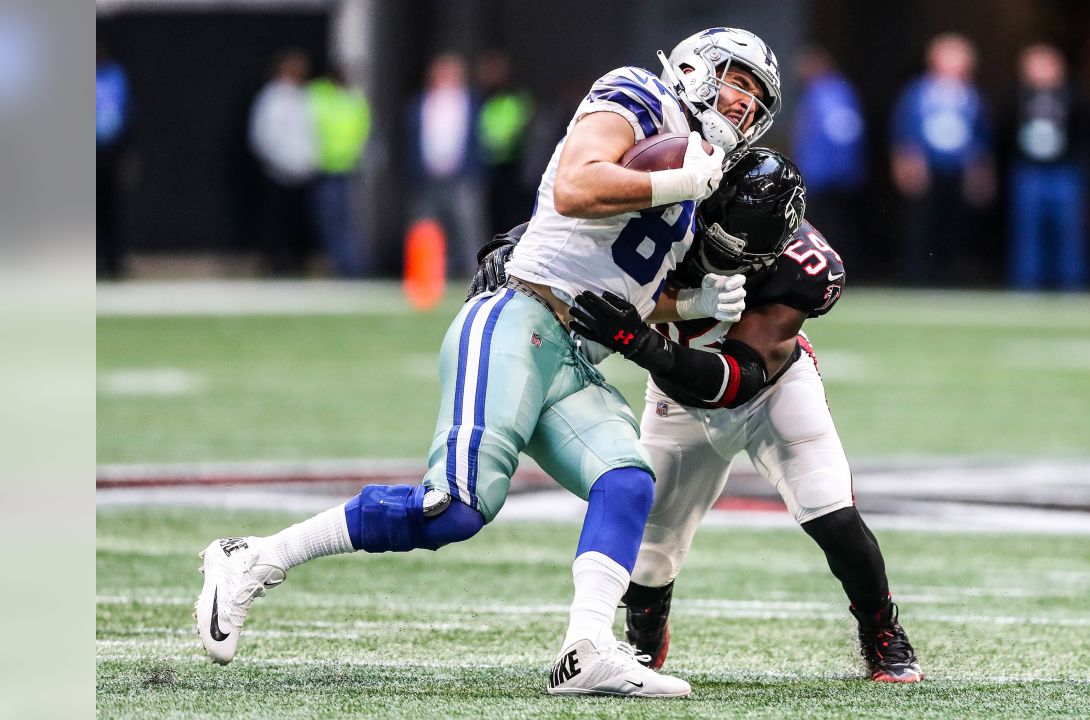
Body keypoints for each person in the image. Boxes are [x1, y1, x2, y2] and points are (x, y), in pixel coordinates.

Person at [195, 27, 783, 699]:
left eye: (757, 96)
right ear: (696, 66)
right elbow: (575, 187)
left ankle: (586, 647)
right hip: (517, 319)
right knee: (455, 510)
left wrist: (692, 301)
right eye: (737, 80)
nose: (743, 102)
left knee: (627, 479)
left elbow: (625, 291)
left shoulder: (699, 178)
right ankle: (253, 558)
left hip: (572, 354)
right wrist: (679, 180)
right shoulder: (642, 95)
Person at [480, 148, 922, 683]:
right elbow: (585, 222)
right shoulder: (680, 201)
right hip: (675, 400)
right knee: (649, 554)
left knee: (832, 514)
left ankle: (883, 631)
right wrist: (519, 245)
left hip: (771, 392)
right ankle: (643, 640)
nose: (713, 254)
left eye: (734, 252)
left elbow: (737, 379)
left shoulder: (803, 269)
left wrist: (640, 342)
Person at [890, 33, 995, 285]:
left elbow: (981, 136)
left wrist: (980, 172)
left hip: (957, 170)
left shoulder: (971, 95)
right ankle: (916, 275)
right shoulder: (918, 92)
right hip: (925, 168)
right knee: (921, 223)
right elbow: (903, 131)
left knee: (954, 224)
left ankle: (947, 273)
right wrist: (905, 163)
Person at [1007, 44, 1090, 290]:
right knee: (1027, 230)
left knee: (1069, 230)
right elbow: (1003, 132)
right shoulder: (1017, 98)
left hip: (1064, 171)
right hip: (1029, 171)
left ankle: (1072, 283)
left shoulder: (1073, 98)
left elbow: (1088, 132)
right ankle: (1027, 283)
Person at [405, 53, 488, 279]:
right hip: (428, 177)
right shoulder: (421, 102)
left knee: (467, 227)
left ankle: (475, 276)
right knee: (426, 228)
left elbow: (478, 140)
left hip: (462, 176)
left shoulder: (471, 102)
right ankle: (426, 276)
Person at [791, 46, 866, 267]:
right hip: (830, 173)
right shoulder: (825, 91)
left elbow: (841, 133)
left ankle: (832, 267)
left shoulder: (829, 92)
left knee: (829, 226)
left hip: (828, 174)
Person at [249, 49, 316, 276]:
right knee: (277, 221)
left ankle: (297, 263)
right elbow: (264, 135)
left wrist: (307, 160)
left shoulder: (304, 97)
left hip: (301, 171)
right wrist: (278, 161)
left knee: (298, 222)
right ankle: (275, 264)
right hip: (278, 171)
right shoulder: (272, 98)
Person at [307, 65, 371, 277]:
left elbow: (362, 131)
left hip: (345, 169)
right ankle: (339, 265)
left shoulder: (353, 99)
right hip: (323, 167)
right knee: (330, 221)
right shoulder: (320, 94)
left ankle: (348, 267)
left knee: (343, 221)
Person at [476, 49, 536, 233]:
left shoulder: (517, 97)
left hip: (513, 169)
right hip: (487, 170)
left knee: (511, 218)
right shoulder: (480, 99)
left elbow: (523, 130)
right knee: (488, 219)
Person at [96, 42, 131, 279]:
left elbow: (125, 115)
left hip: (110, 154)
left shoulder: (116, 78)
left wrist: (126, 154)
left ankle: (114, 263)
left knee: (111, 212)